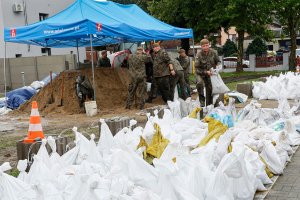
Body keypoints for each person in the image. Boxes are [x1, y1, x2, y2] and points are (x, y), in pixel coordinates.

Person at [195, 39, 220, 106]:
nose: (205, 47)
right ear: (201, 47)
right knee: (199, 83)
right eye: (203, 46)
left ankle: (211, 104)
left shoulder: (214, 52)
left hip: (211, 73)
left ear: (209, 44)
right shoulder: (198, 54)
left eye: (207, 45)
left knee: (211, 88)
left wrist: (218, 66)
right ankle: (202, 102)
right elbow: (197, 68)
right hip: (200, 73)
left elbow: (218, 61)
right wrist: (206, 72)